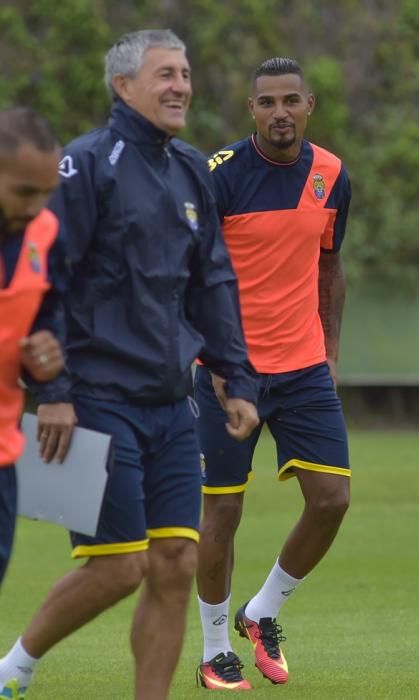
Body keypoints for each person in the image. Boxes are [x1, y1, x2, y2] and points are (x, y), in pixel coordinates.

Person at [0, 30, 259, 700]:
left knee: (176, 560)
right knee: (119, 568)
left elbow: (213, 281)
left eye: (186, 72)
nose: (181, 85)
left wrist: (234, 374)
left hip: (173, 402)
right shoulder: (85, 165)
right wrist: (51, 389)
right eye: (164, 74)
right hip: (94, 396)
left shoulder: (192, 169)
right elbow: (45, 282)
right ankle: (14, 669)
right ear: (124, 86)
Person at [195, 57, 352, 691]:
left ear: (309, 104)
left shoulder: (333, 174)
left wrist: (332, 352)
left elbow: (330, 267)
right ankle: (212, 651)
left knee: (332, 500)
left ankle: (262, 612)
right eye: (267, 102)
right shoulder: (218, 177)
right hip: (229, 372)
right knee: (223, 511)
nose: (280, 112)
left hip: (305, 368)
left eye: (291, 100)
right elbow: (192, 276)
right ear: (251, 109)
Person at [0, 107, 67, 592]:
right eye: (24, 192)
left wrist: (47, 360)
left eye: (47, 193)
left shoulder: (43, 231)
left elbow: (48, 315)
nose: (36, 206)